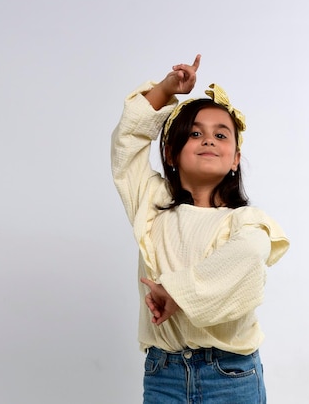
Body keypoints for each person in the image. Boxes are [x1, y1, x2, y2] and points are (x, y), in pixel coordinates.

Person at [111, 54, 290, 403]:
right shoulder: (151, 205)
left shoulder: (245, 222)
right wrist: (165, 90)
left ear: (235, 157)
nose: (208, 140)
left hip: (230, 375)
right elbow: (127, 144)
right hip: (164, 373)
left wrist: (176, 294)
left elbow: (247, 260)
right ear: (171, 152)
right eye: (195, 133)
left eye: (221, 135)